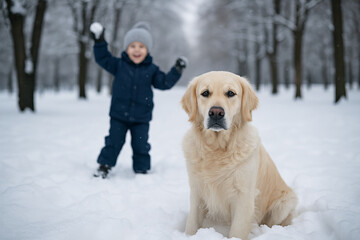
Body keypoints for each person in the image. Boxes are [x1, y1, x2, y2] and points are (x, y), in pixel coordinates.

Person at [90, 22, 187, 178]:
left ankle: (141, 169)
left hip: (141, 118)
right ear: (126, 49)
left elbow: (164, 83)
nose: (137, 50)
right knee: (113, 141)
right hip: (118, 116)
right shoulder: (118, 65)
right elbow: (102, 58)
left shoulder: (152, 69)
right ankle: (104, 165)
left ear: (147, 50)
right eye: (133, 46)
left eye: (141, 46)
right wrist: (99, 41)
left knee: (141, 145)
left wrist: (176, 70)